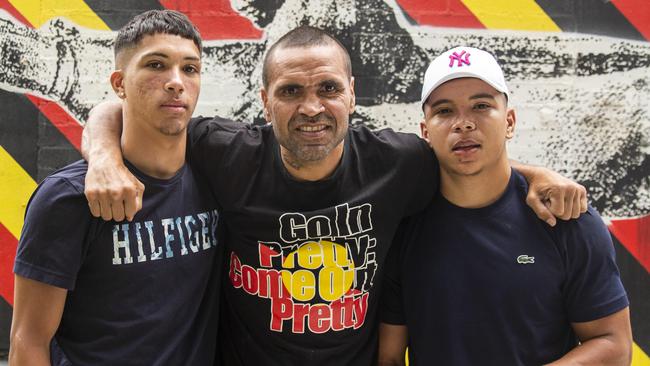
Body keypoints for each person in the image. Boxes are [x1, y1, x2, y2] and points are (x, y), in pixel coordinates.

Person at [81, 26, 587, 365]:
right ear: (265, 102)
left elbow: (470, 159)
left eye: (327, 89)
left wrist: (535, 174)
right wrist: (103, 157)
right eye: (290, 92)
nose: (311, 108)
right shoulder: (225, 151)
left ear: (351, 93)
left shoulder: (399, 163)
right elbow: (122, 109)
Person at [378, 47, 632, 366]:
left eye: (481, 106)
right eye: (444, 111)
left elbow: (613, 345)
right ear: (426, 132)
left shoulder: (564, 218)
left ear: (509, 122)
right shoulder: (404, 226)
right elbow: (388, 356)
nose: (464, 123)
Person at [9, 10, 221, 366]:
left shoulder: (218, 175)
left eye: (190, 68)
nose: (175, 81)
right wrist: (105, 156)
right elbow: (27, 341)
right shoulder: (67, 198)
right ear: (119, 83)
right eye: (156, 65)